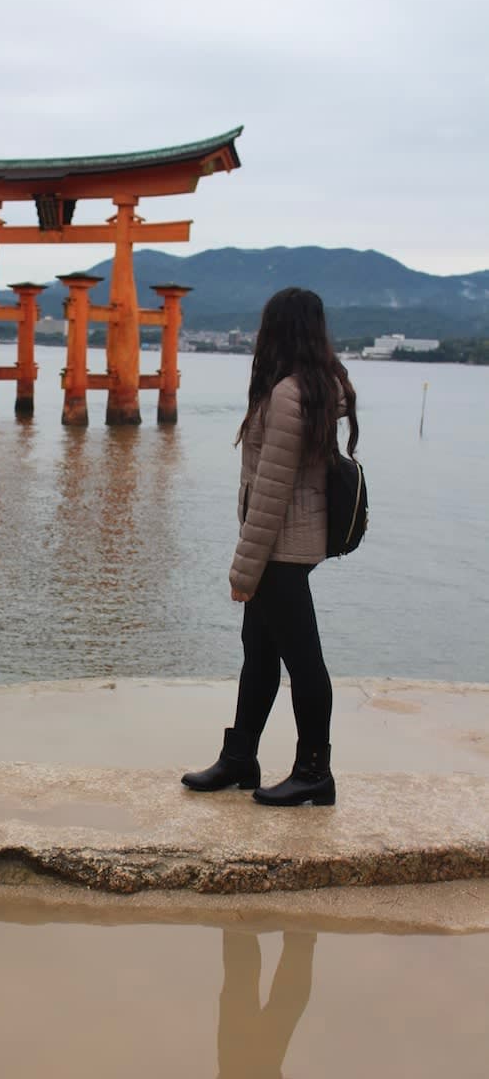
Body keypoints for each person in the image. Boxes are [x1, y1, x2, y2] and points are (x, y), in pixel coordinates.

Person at [182, 287, 359, 806]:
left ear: (277, 329)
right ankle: (240, 759)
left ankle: (314, 771)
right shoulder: (317, 385)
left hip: (279, 550)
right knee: (259, 655)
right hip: (287, 545)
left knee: (304, 662)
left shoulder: (288, 395)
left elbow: (271, 495)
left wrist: (243, 573)